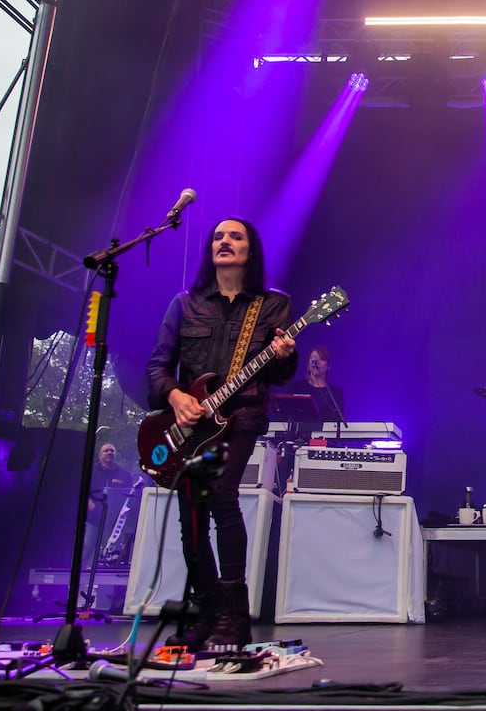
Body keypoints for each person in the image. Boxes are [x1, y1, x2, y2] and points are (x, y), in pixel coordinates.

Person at [146, 218, 296, 649]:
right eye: (218, 236)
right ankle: (206, 609)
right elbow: (157, 366)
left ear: (251, 250)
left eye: (235, 236)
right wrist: (175, 397)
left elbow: (282, 374)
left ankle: (234, 616)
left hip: (242, 417)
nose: (224, 242)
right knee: (190, 515)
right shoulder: (185, 304)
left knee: (223, 496)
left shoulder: (272, 305)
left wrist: (286, 354)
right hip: (189, 424)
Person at [84, 442, 135, 565]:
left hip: (114, 523)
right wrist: (92, 507)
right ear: (100, 455)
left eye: (112, 451)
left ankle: (101, 580)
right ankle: (77, 577)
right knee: (86, 547)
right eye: (106, 451)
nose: (109, 453)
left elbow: (130, 497)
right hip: (94, 520)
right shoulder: (92, 472)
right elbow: (83, 491)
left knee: (109, 554)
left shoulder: (124, 475)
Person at [304, 345, 346, 423]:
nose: (316, 362)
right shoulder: (297, 388)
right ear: (308, 364)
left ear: (328, 366)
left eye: (321, 359)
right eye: (313, 358)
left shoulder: (335, 393)